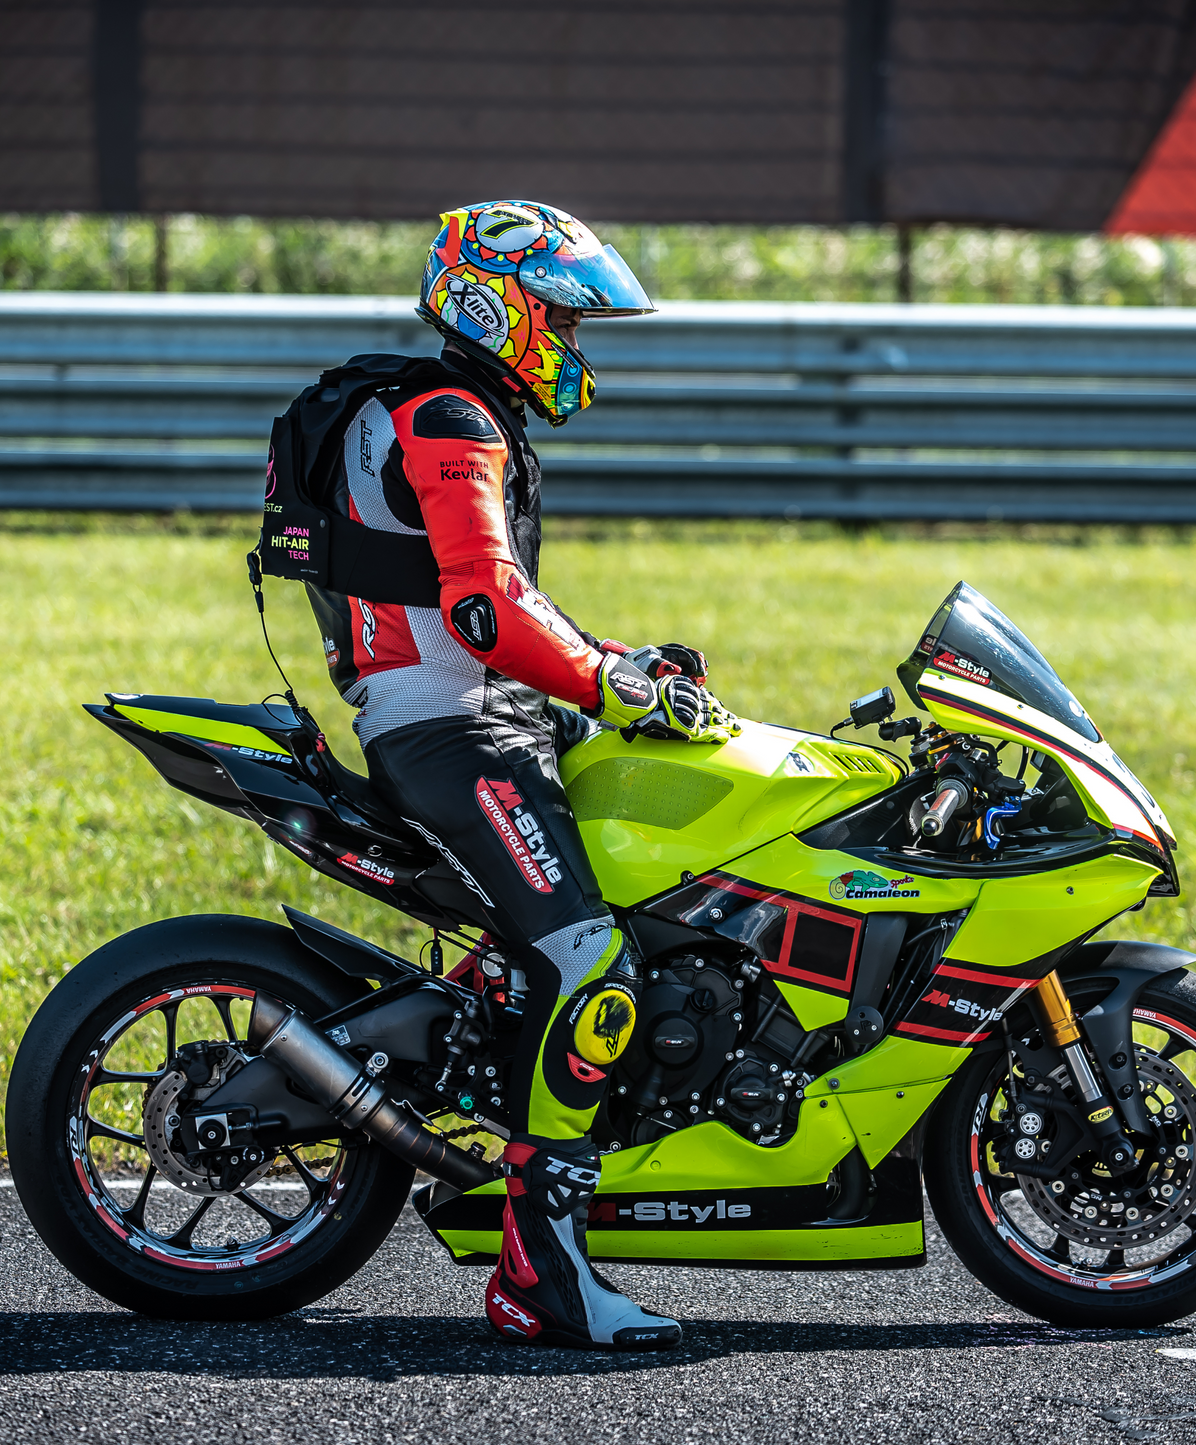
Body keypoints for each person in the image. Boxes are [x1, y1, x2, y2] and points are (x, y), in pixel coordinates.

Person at [304, 200, 738, 1351]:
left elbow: (499, 607)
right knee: (594, 970)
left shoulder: (448, 405)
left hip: (484, 716)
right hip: (455, 732)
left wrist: (614, 668)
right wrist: (608, 682)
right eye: (566, 320)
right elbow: (486, 607)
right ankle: (539, 1275)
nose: (576, 346)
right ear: (501, 305)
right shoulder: (450, 416)